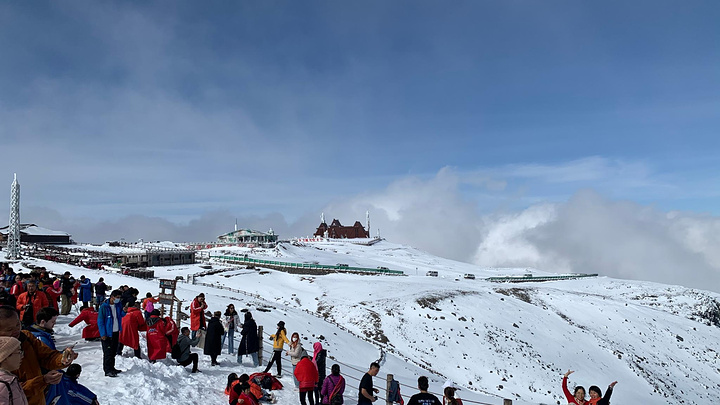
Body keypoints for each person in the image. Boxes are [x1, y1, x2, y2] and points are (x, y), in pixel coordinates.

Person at [0, 306, 76, 405]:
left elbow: (47, 357)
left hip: (39, 399)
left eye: (18, 325)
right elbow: (12, 389)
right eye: (10, 329)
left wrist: (63, 359)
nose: (16, 330)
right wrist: (42, 381)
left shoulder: (26, 337)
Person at [98, 290, 125, 377]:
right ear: (112, 297)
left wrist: (124, 311)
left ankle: (112, 368)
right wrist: (103, 334)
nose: (118, 299)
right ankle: (107, 370)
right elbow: (100, 321)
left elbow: (120, 315)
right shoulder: (104, 307)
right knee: (108, 352)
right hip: (107, 333)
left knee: (113, 351)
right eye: (117, 297)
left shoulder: (118, 305)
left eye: (119, 298)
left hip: (116, 331)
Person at [0, 336, 28, 405]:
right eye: (19, 352)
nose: (22, 356)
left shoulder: (10, 380)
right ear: (5, 357)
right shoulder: (2, 384)